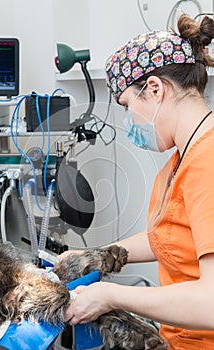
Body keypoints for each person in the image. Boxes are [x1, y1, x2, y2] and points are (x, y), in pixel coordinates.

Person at [61, 14, 214, 350]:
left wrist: (110, 295)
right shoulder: (180, 161)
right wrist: (96, 255)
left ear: (155, 89)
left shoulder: (208, 163)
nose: (130, 121)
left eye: (128, 105)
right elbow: (172, 239)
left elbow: (211, 302)